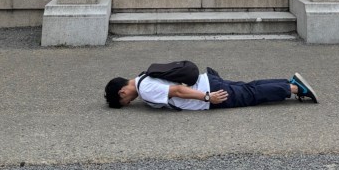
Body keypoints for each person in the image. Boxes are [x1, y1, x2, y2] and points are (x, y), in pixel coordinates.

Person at [105, 66, 318, 110]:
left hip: (207, 91)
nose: (129, 103)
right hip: (206, 81)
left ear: (122, 92)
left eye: (124, 102)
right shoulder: (143, 76)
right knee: (249, 87)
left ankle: (295, 89)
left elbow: (177, 91)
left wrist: (208, 97)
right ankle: (288, 83)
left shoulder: (145, 90)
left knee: (250, 94)